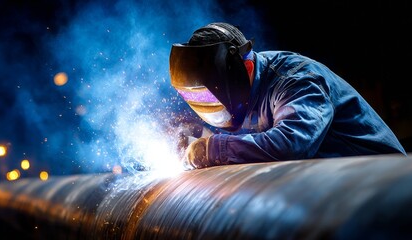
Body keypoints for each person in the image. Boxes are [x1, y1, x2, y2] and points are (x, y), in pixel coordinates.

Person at [169, 22, 407, 170]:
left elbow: (292, 144)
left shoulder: (295, 80)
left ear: (248, 69)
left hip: (388, 185)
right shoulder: (245, 92)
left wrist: (214, 150)